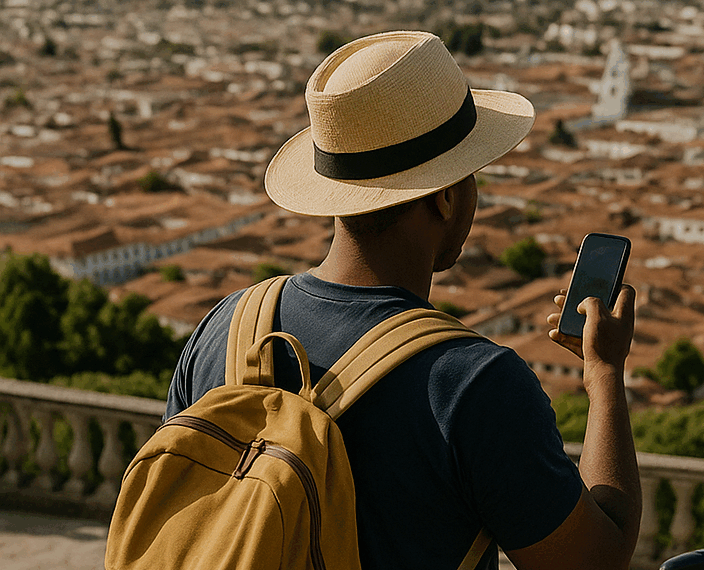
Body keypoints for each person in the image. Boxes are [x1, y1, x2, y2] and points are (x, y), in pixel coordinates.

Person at [164, 30, 642, 570]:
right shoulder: (472, 383)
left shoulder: (223, 327)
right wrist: (604, 374)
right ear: (444, 196)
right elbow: (595, 561)